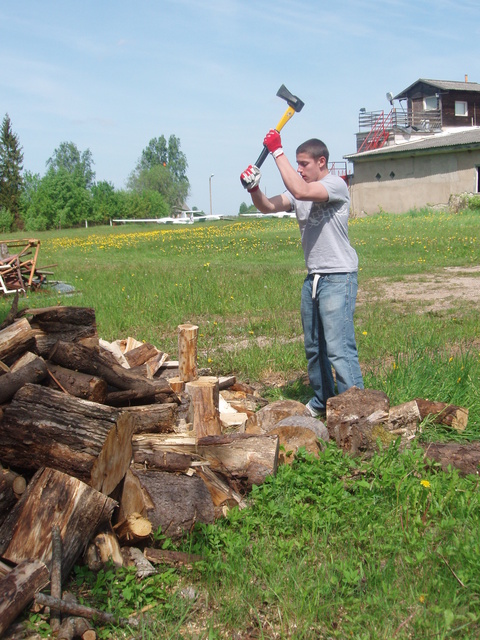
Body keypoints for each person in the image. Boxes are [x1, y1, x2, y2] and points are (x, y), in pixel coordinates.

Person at [240, 129, 364, 417]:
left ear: (322, 162)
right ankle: (323, 401)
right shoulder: (299, 188)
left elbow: (301, 191)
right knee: (314, 347)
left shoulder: (335, 185)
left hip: (338, 276)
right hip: (314, 278)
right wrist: (253, 189)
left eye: (303, 164)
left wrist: (277, 152)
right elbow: (268, 207)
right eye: (296, 164)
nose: (299, 169)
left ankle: (356, 409)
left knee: (338, 347)